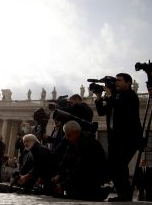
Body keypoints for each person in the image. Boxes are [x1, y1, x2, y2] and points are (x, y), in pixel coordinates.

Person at [94, 73, 143, 202]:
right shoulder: (115, 97)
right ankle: (123, 194)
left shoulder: (130, 96)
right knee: (115, 166)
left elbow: (120, 106)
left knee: (119, 165)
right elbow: (101, 112)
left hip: (129, 138)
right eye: (116, 80)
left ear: (128, 83)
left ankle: (125, 195)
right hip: (115, 139)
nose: (116, 83)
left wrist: (109, 95)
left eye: (119, 80)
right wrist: (99, 97)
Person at [51, 121, 110, 201]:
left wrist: (64, 185)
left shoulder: (89, 144)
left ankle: (96, 193)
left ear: (76, 132)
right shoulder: (73, 143)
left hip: (91, 177)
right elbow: (66, 161)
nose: (67, 138)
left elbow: (80, 169)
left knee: (74, 192)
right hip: (81, 176)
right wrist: (59, 175)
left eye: (68, 135)